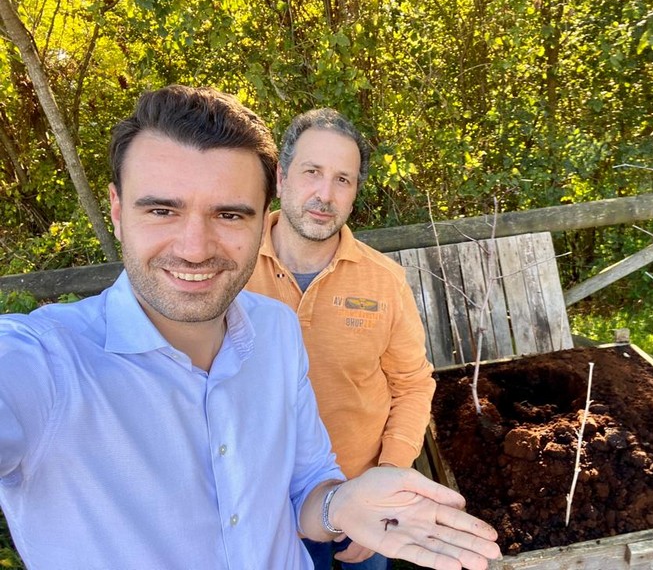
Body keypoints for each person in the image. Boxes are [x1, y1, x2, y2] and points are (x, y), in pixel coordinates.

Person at [0, 85, 500, 570]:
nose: (195, 248)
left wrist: (369, 487)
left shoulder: (294, 321)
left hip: (348, 501)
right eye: (162, 210)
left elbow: (405, 388)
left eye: (229, 214)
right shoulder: (43, 362)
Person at [245, 108, 435, 569]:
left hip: (358, 498)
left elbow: (412, 385)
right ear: (281, 178)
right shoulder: (230, 268)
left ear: (354, 194)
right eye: (312, 172)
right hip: (257, 504)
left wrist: (387, 484)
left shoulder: (384, 281)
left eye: (342, 180)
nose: (325, 195)